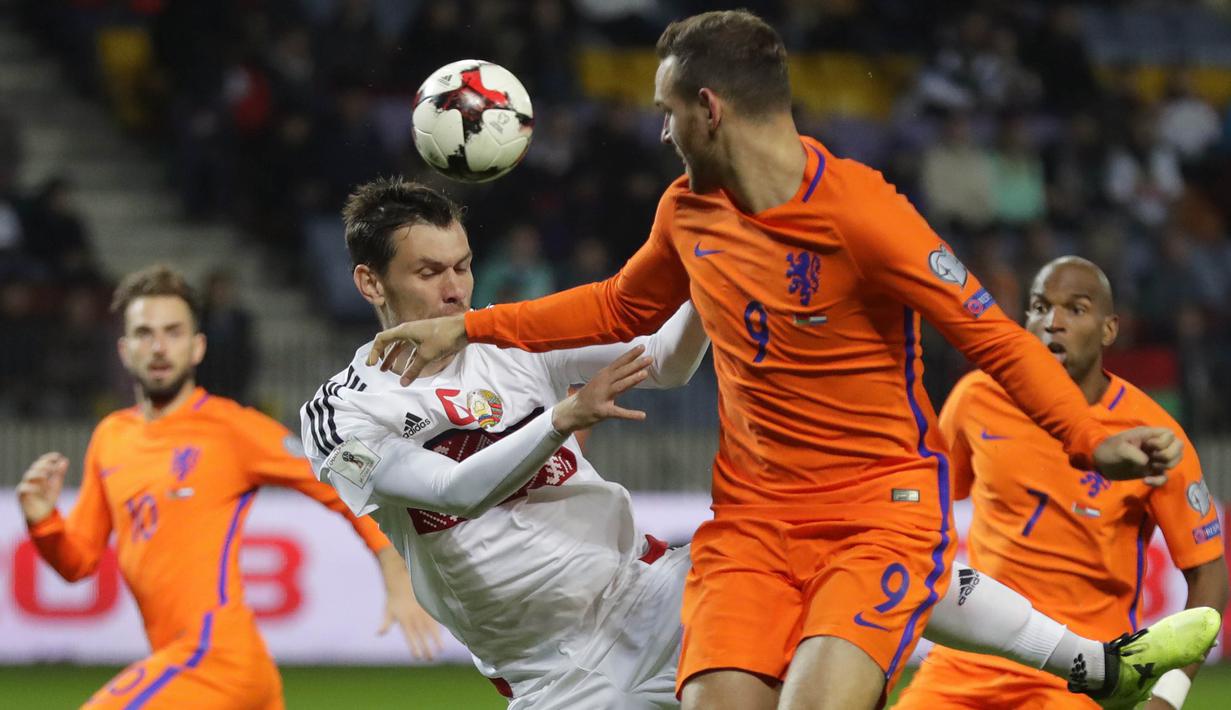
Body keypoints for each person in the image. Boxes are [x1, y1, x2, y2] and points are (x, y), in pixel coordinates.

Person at [366, 11, 1197, 710]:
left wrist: (1089, 438)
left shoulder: (862, 212)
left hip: (878, 512)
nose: (661, 131)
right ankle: (1100, 669)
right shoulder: (688, 210)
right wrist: (471, 328)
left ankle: (1095, 669)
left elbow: (990, 333)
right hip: (752, 521)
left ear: (708, 108)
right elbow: (621, 307)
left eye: (667, 111)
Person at [16, 265, 441, 709]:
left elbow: (340, 476)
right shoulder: (110, 437)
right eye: (144, 333)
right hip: (191, 665)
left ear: (197, 346)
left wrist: (394, 569)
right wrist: (43, 520)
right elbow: (78, 561)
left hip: (218, 658)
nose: (159, 346)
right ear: (124, 350)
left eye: (173, 332)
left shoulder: (232, 428)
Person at [895, 257, 1229, 710]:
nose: (1053, 322)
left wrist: (1169, 696)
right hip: (971, 661)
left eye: (1076, 309)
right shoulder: (977, 398)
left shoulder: (1149, 432)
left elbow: (1208, 571)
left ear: (1109, 329)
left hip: (1085, 669)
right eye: (1039, 306)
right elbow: (925, 509)